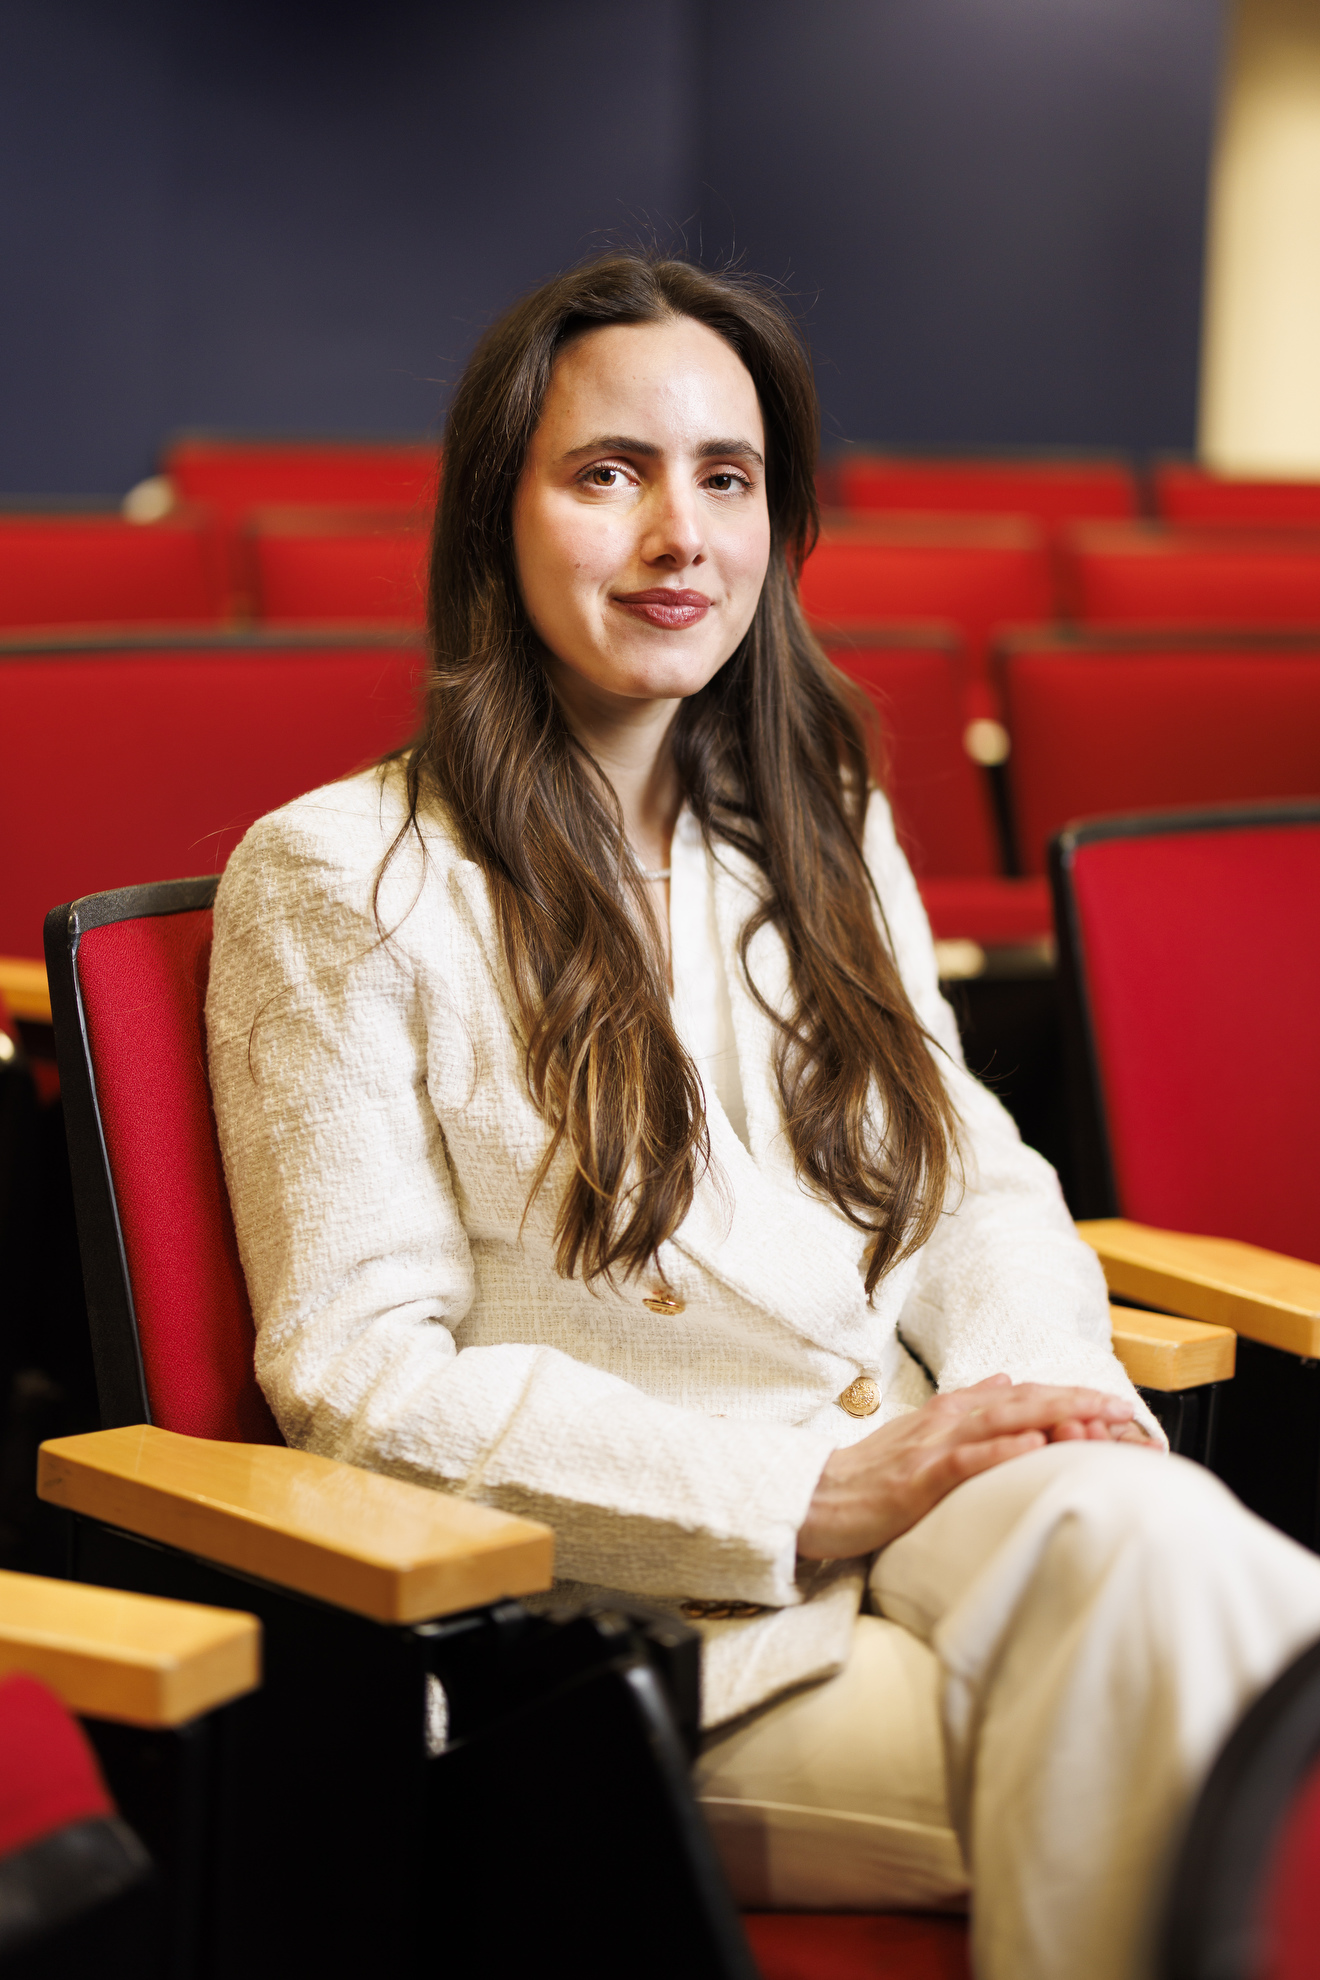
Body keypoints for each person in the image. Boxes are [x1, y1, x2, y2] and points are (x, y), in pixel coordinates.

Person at [205, 254, 1320, 1980]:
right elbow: (357, 1379)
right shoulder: (342, 877)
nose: (681, 536)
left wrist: (1050, 1407)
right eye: (608, 474)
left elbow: (970, 1182)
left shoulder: (813, 815)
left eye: (726, 476)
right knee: (1236, 1755)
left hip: (948, 1509)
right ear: (494, 519)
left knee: (1182, 1567)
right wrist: (807, 1488)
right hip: (649, 1624)